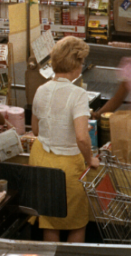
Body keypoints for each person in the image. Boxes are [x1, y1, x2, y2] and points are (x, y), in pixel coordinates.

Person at [30, 37, 98, 243]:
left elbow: (35, 129)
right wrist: (90, 159)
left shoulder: (40, 90)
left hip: (41, 161)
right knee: (76, 222)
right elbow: (81, 138)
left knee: (51, 221)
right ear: (76, 65)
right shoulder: (78, 94)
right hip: (67, 166)